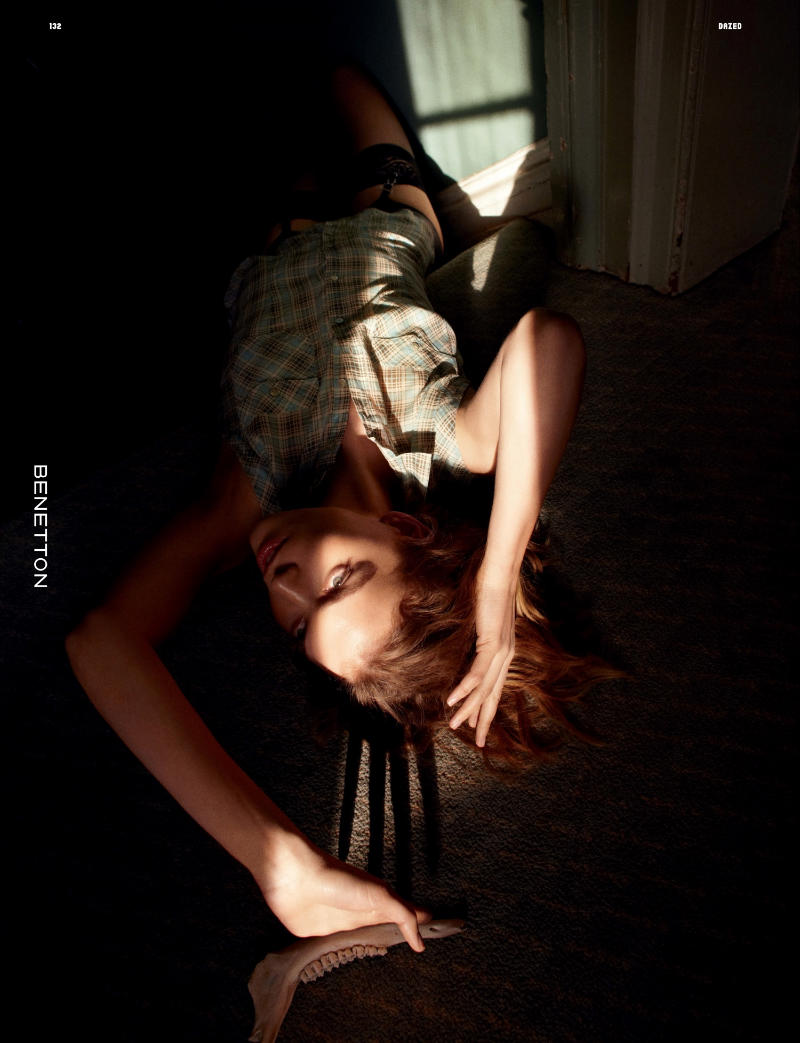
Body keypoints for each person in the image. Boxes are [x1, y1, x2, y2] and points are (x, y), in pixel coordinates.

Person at [65, 62, 609, 953]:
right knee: (338, 74)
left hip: (270, 235)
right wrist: (497, 573)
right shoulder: (440, 440)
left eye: (294, 623)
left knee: (232, 104)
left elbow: (100, 643)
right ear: (403, 527)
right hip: (389, 214)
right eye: (338, 580)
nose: (281, 578)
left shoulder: (245, 493)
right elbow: (549, 340)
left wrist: (280, 862)